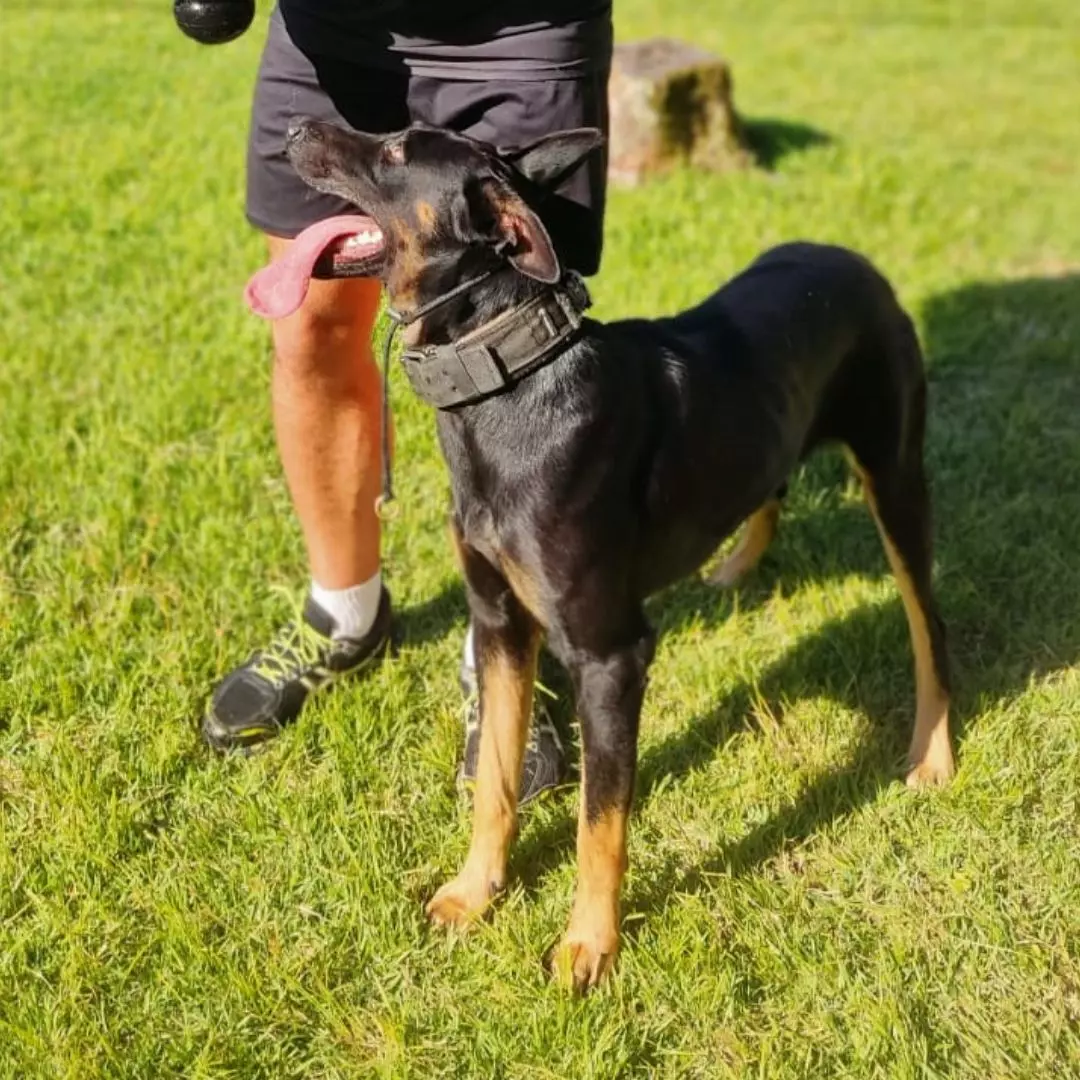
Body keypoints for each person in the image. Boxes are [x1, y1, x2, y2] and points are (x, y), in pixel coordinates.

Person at [201, 0, 613, 803]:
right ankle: (344, 613)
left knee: (512, 343)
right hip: (333, 30)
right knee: (310, 326)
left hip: (518, 29)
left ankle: (503, 650)